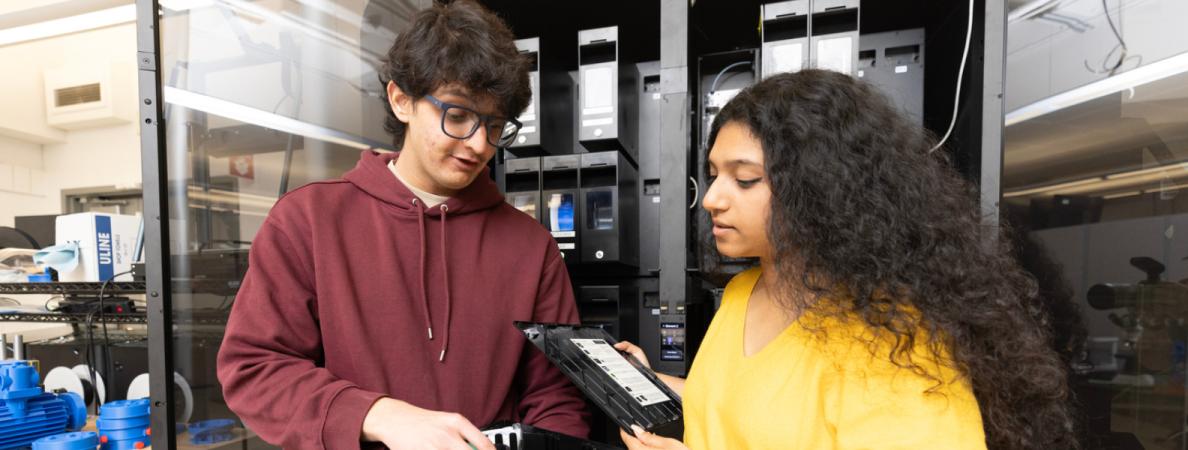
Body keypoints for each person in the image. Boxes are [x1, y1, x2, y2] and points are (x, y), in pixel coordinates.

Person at [614, 70, 1078, 450]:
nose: (712, 199)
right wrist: (651, 381)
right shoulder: (740, 294)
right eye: (714, 175)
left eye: (746, 180)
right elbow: (741, 406)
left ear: (821, 188)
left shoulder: (892, 336)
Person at [215, 2, 589, 449]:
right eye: (458, 115)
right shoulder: (308, 221)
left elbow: (557, 394)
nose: (477, 144)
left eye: (494, 125)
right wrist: (377, 414)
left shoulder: (531, 246)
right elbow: (255, 368)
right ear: (401, 100)